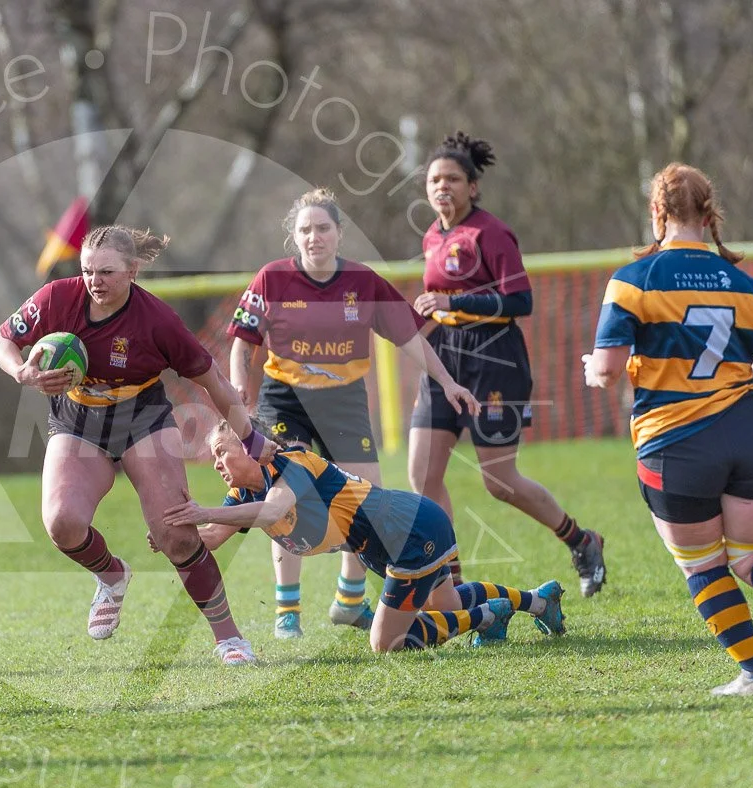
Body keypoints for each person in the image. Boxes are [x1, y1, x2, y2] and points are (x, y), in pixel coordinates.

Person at [583, 162, 753, 696]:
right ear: (709, 215)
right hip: (750, 435)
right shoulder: (742, 283)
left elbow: (608, 371)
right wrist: (747, 374)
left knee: (703, 565)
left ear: (656, 213)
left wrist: (594, 370)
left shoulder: (632, 281)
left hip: (674, 445)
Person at [0, 225, 265, 665]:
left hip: (143, 420)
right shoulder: (58, 297)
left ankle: (229, 638)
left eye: (107, 272)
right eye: (87, 271)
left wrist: (251, 439)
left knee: (174, 534)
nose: (94, 281)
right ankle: (112, 576)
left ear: (133, 271)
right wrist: (20, 370)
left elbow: (212, 382)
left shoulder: (158, 321)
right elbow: (2, 339)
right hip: (77, 420)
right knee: (61, 523)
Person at [228, 187, 478, 639]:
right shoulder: (272, 279)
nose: (314, 237)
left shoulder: (363, 283)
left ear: (339, 234)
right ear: (295, 237)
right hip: (285, 399)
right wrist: (239, 388)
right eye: (305, 229)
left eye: (323, 228)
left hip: (344, 400)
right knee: (290, 494)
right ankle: (288, 611)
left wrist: (449, 382)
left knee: (368, 500)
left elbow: (410, 339)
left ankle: (349, 600)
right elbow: (242, 343)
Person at [164, 422, 566, 653]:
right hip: (390, 541)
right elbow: (214, 535)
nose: (215, 462)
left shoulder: (294, 464)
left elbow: (272, 511)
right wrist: (175, 534)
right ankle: (538, 600)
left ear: (250, 447)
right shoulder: (242, 494)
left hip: (410, 530)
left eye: (221, 451)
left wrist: (203, 511)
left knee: (385, 643)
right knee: (448, 602)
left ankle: (489, 615)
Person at [409, 132, 607, 597]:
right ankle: (450, 585)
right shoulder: (432, 236)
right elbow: (440, 306)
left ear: (473, 186)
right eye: (435, 179)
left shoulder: (490, 233)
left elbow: (520, 300)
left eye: (453, 179)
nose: (443, 187)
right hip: (446, 360)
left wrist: (452, 300)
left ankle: (582, 540)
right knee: (422, 477)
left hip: (495, 360)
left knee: (499, 482)